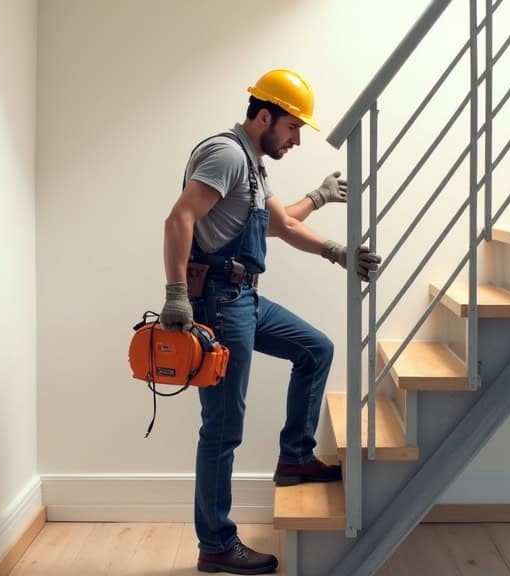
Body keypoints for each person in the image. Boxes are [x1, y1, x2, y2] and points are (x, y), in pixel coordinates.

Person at [160, 69, 381, 575]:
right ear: (265, 116)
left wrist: (336, 249)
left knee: (316, 349)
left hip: (244, 298)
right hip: (217, 302)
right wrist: (176, 295)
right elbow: (180, 219)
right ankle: (216, 544)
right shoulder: (226, 154)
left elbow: (280, 224)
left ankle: (295, 457)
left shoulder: (253, 164)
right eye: (293, 127)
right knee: (222, 428)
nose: (297, 138)